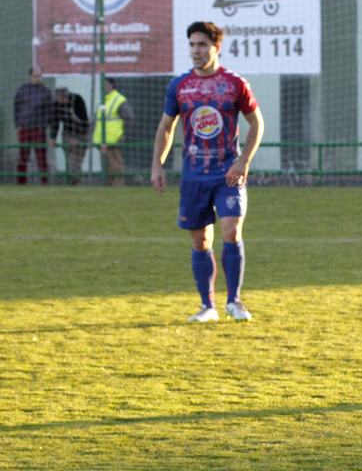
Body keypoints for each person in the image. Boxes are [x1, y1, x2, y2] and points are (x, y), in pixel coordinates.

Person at [151, 21, 264, 322]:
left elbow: (256, 123)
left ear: (217, 48)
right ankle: (207, 307)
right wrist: (157, 164)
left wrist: (244, 162)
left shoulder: (234, 84)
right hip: (194, 174)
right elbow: (166, 127)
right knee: (201, 240)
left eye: (202, 45)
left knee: (231, 230)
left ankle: (235, 302)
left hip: (228, 172)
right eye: (192, 45)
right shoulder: (180, 86)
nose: (196, 51)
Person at [14, 66, 53, 185]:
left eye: (39, 75)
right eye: (35, 76)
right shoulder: (22, 90)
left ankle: (44, 181)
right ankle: (21, 182)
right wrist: (18, 124)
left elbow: (49, 111)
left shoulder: (46, 91)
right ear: (30, 77)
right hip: (25, 128)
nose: (38, 78)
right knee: (23, 156)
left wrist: (43, 126)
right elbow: (16, 107)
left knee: (41, 157)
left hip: (38, 129)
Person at [92, 77, 134, 186]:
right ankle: (109, 186)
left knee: (115, 165)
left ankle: (118, 186)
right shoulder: (103, 100)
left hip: (113, 139)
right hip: (102, 140)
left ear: (110, 85)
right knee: (106, 166)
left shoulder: (118, 100)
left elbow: (129, 118)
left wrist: (123, 134)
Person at [52, 87, 90, 185]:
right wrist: (53, 137)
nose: (62, 101)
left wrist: (77, 138)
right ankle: (73, 184)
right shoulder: (56, 104)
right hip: (68, 133)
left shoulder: (77, 100)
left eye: (64, 98)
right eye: (60, 98)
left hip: (82, 134)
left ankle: (77, 183)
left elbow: (84, 121)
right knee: (70, 161)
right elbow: (55, 122)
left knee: (75, 161)